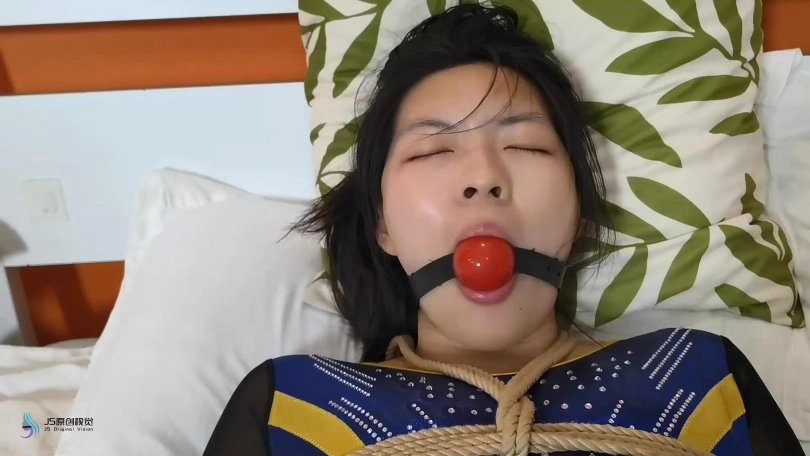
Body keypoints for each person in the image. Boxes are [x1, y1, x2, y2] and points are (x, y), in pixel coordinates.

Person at [203, 5, 803, 456]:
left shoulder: (696, 376)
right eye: (432, 152)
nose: (484, 178)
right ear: (382, 223)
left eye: (526, 146)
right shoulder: (290, 403)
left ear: (579, 214)